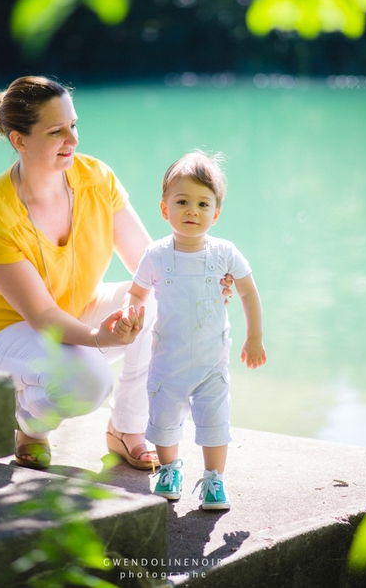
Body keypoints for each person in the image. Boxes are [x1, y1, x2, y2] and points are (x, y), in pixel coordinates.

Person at [0, 76, 233, 471]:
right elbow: (41, 316)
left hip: (79, 310)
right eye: (56, 131)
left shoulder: (96, 178)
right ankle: (27, 421)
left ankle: (126, 430)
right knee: (88, 384)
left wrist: (204, 283)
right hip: (10, 332)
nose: (72, 140)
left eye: (73, 125)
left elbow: (152, 265)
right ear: (19, 140)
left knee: (158, 300)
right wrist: (98, 338)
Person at [124, 151, 266, 510]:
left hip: (211, 362)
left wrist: (254, 337)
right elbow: (137, 291)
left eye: (203, 203)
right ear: (164, 209)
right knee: (164, 419)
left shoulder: (225, 253)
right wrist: (132, 313)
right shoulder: (156, 254)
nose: (192, 210)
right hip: (168, 359)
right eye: (182, 201)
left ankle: (214, 480)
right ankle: (169, 470)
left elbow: (249, 291)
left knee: (215, 421)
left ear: (215, 213)